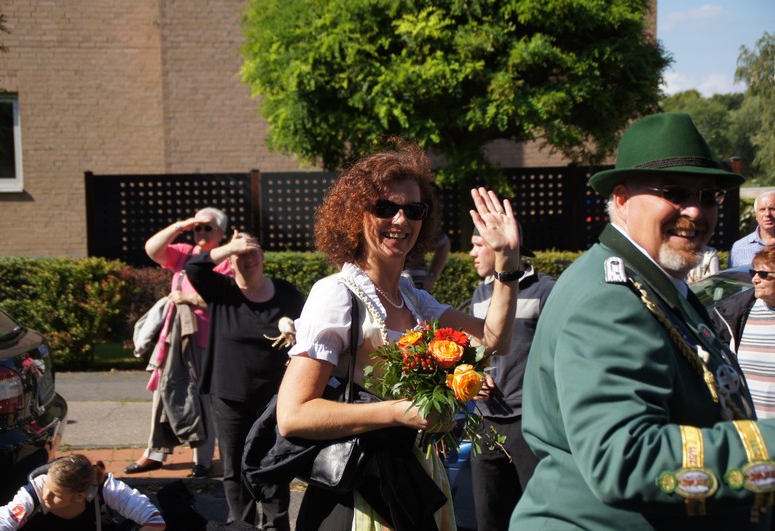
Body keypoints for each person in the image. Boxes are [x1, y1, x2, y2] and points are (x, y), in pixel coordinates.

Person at [512, 113, 775, 530]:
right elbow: (624, 456)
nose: (695, 210)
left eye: (709, 196)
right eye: (674, 193)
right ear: (621, 199)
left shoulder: (657, 285)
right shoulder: (610, 299)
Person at [276, 139, 520, 531]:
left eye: (414, 210)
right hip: (360, 489)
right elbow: (293, 415)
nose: (401, 220)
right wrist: (400, 411)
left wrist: (507, 263)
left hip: (414, 479)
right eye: (385, 208)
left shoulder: (412, 297)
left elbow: (494, 340)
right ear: (355, 214)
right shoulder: (337, 294)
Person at [185, 231, 305, 530]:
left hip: (277, 398)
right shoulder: (222, 290)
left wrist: (294, 327)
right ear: (230, 260)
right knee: (235, 467)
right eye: (240, 254)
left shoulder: (286, 293)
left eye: (253, 251)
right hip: (230, 397)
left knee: (274, 462)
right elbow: (194, 267)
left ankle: (276, 525)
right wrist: (230, 247)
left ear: (263, 256)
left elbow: (311, 329)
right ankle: (242, 525)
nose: (248, 258)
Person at [125, 208, 232, 478]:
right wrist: (181, 225)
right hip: (173, 338)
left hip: (205, 342)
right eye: (198, 228)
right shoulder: (184, 253)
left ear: (221, 233)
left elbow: (228, 301)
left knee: (202, 400)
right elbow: (152, 249)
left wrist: (189, 299)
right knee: (164, 393)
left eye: (208, 228)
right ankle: (155, 453)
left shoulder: (226, 261)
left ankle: (202, 461)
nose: (201, 232)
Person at [468, 225, 555, 530]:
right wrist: (475, 372)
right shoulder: (480, 293)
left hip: (530, 424)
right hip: (484, 424)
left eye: (479, 245)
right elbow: (474, 350)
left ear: (503, 247)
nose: (472, 253)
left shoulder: (546, 290)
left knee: (539, 520)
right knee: (488, 519)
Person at [0, 454, 166, 530]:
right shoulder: (34, 491)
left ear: (79, 496)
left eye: (56, 494)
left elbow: (154, 520)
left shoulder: (105, 488)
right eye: (47, 488)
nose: (46, 496)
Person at [712, 246, 775, 419]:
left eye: (763, 274)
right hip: (748, 425)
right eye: (753, 273)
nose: (755, 279)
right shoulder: (734, 314)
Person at [729, 191, 775, 267]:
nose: (767, 214)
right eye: (762, 209)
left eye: (772, 209)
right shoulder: (739, 247)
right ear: (756, 215)